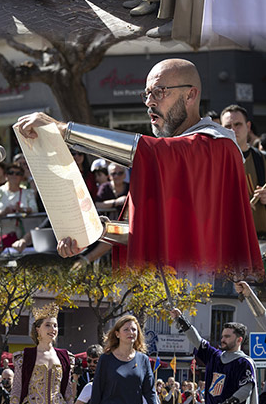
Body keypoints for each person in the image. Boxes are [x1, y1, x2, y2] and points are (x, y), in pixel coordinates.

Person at [16, 58, 262, 273]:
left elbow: (154, 152)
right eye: (146, 94)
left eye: (159, 92)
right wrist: (95, 230)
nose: (149, 102)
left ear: (190, 94)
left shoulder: (217, 147)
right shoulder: (169, 156)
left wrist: (62, 130)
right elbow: (152, 234)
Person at [220, 105, 266, 243]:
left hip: (262, 240)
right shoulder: (214, 163)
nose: (233, 130)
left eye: (238, 124)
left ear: (248, 126)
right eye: (227, 126)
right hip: (231, 241)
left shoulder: (262, 159)